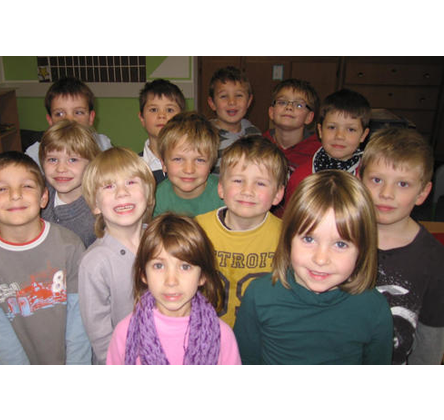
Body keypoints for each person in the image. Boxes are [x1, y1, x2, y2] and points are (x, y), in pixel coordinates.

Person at [234, 170, 393, 364]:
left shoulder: (374, 308)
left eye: (340, 244)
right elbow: (246, 358)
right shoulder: (259, 295)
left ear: (362, 249)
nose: (321, 259)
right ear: (288, 239)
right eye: (309, 239)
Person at [0, 151, 92, 364]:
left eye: (27, 186)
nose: (16, 194)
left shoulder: (70, 245)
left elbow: (79, 320)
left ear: (43, 197)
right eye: (2, 189)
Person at [107, 212, 241, 365]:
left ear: (203, 276)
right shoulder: (125, 333)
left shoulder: (221, 336)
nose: (171, 281)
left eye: (185, 266)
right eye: (159, 266)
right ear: (143, 274)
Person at [359, 127, 444, 364]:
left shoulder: (435, 260)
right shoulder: (339, 240)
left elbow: (431, 338)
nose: (386, 193)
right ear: (359, 180)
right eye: (377, 180)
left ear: (423, 192)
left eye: (403, 184)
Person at [195, 135, 287, 327]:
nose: (248, 190)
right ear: (220, 188)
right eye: (238, 180)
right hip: (206, 336)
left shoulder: (286, 237)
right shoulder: (198, 229)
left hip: (260, 340)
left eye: (260, 183)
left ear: (278, 194)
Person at [79, 147, 156, 364]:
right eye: (109, 186)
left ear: (148, 194)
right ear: (95, 204)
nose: (122, 193)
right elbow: (100, 335)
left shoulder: (164, 242)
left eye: (131, 182)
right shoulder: (94, 263)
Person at [284, 88, 371, 211]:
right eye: (331, 127)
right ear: (320, 131)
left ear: (363, 135)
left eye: (350, 129)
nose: (339, 136)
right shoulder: (302, 176)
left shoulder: (369, 177)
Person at [39, 119, 102, 247]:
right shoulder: (37, 195)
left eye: (73, 160)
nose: (61, 168)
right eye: (52, 159)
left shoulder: (100, 209)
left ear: (91, 164)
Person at [25, 76, 112, 166]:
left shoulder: (102, 145)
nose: (70, 120)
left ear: (91, 118)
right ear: (50, 121)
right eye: (59, 114)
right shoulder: (35, 154)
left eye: (78, 112)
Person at [153, 111, 223, 217]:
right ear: (163, 164)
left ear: (211, 165)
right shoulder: (156, 199)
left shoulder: (224, 196)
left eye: (200, 160)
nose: (189, 170)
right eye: (178, 159)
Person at [207, 66, 260, 174]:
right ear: (212, 103)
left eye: (239, 95)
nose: (232, 102)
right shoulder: (205, 134)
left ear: (249, 101)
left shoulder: (255, 134)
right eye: (224, 96)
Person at [263, 79, 321, 174]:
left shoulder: (317, 153)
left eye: (299, 105)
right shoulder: (259, 146)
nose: (289, 107)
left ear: (309, 117)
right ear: (271, 112)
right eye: (282, 102)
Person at [138, 79, 186, 184]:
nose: (161, 115)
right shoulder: (133, 166)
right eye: (154, 110)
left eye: (169, 110)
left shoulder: (190, 164)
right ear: (142, 118)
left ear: (182, 117)